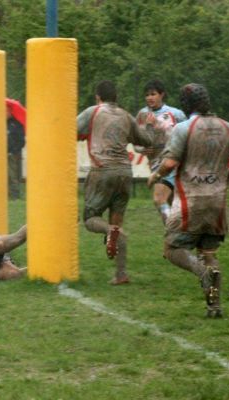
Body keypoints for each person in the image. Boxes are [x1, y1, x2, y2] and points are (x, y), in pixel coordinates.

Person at [147, 83, 229, 318]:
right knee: (209, 253)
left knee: (171, 249)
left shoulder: (184, 128)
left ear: (186, 104)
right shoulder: (228, 128)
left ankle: (202, 273)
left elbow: (169, 163)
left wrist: (155, 175)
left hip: (191, 202)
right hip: (217, 201)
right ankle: (214, 307)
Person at [77, 80, 153, 285]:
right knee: (117, 221)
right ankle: (121, 274)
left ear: (97, 97)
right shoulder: (126, 116)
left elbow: (70, 131)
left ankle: (108, 231)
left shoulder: (93, 111)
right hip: (125, 172)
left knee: (91, 218)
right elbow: (145, 140)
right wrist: (148, 126)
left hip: (102, 170)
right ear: (116, 98)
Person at [136, 79, 187, 224]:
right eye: (147, 95)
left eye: (153, 94)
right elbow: (136, 141)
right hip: (155, 164)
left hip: (172, 163)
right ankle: (179, 233)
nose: (150, 98)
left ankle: (172, 231)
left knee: (159, 199)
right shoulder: (142, 115)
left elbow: (188, 133)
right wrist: (142, 148)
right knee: (172, 204)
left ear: (162, 95)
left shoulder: (175, 114)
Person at [7, 105, 25, 200]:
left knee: (13, 175)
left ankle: (15, 196)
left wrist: (13, 151)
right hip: (0, 154)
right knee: (2, 175)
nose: (4, 113)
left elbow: (21, 141)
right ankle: (5, 195)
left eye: (6, 111)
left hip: (13, 154)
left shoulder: (17, 124)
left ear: (10, 112)